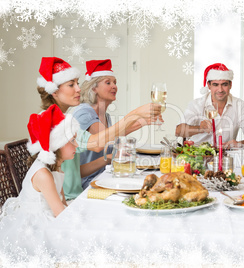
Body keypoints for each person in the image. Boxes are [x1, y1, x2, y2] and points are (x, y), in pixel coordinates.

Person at [35, 57, 161, 200]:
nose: (78, 89)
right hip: (70, 200)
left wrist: (108, 158)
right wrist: (135, 114)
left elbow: (76, 172)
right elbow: (96, 144)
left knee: (136, 190)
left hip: (74, 195)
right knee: (129, 196)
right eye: (71, 85)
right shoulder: (53, 121)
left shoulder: (64, 119)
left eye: (77, 83)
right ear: (54, 91)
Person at [0, 104, 78, 257]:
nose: (77, 144)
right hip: (34, 223)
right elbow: (60, 214)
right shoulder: (43, 174)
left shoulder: (56, 166)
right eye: (73, 140)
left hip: (51, 211)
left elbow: (62, 202)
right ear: (58, 144)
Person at [175, 63, 244, 148]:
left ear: (230, 85)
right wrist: (200, 128)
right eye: (215, 84)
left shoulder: (240, 105)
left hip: (226, 156)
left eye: (224, 84)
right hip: (198, 155)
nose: (220, 90)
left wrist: (239, 144)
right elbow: (178, 131)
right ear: (209, 85)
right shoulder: (196, 104)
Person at [72, 59, 117, 188]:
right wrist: (137, 118)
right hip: (85, 182)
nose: (114, 86)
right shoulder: (84, 112)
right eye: (108, 82)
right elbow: (103, 141)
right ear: (93, 87)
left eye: (115, 82)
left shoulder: (106, 116)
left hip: (102, 177)